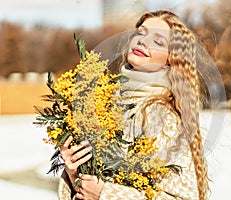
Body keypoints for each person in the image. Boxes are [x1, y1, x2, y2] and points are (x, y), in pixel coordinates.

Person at [58, 10, 209, 200]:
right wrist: (75, 174)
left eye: (158, 42)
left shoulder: (164, 117)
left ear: (172, 59)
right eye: (141, 33)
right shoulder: (106, 103)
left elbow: (182, 198)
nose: (143, 42)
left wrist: (106, 194)